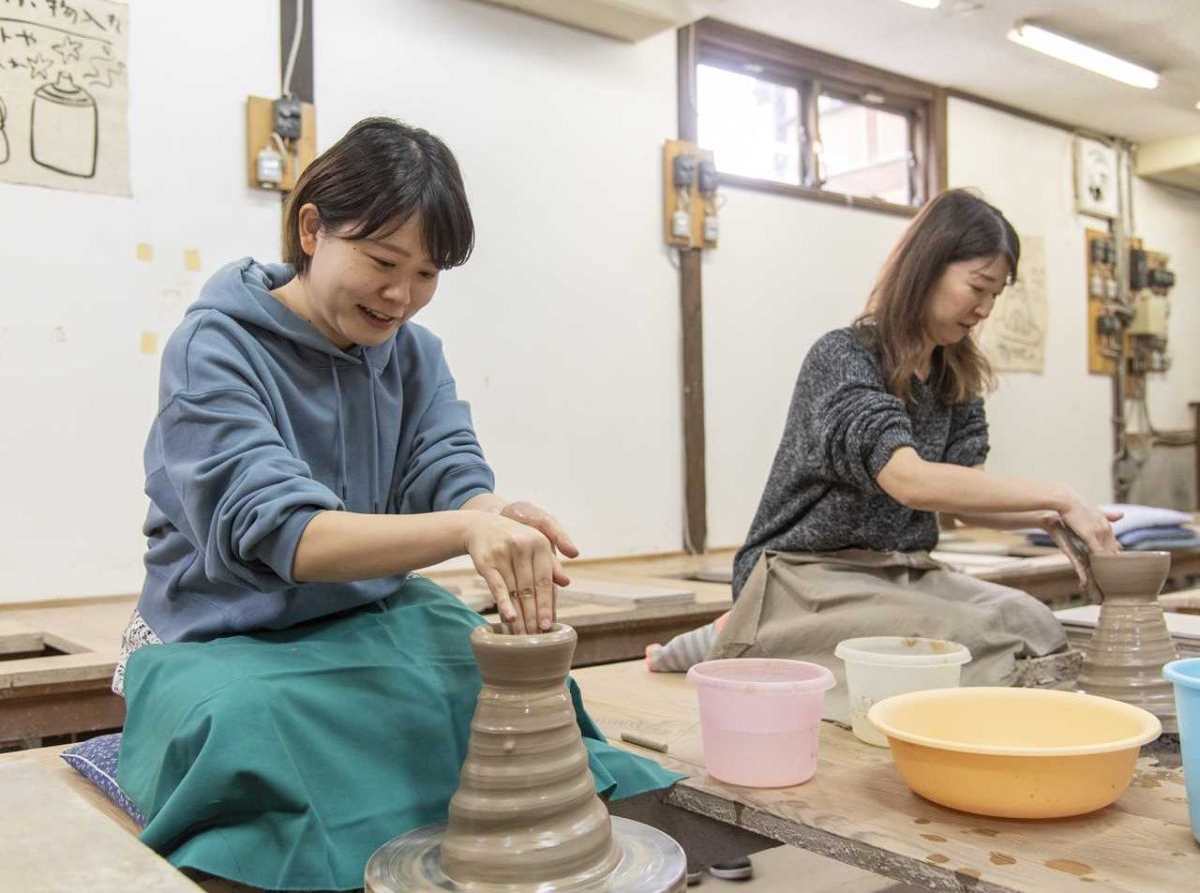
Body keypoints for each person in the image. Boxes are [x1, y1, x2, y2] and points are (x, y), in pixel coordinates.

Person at [113, 117, 678, 891]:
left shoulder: (414, 353)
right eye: (382, 261)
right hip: (222, 629)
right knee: (250, 731)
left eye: (427, 274)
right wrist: (463, 528)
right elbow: (284, 535)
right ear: (312, 230)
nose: (401, 296)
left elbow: (447, 465)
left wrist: (495, 512)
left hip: (370, 614)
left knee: (506, 687)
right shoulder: (214, 347)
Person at [650, 188, 1117, 697]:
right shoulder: (843, 357)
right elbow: (909, 480)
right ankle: (741, 633)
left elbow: (965, 497)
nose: (984, 309)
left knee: (1036, 624)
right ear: (928, 266)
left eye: (996, 295)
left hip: (901, 572)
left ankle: (754, 635)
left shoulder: (954, 375)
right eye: (978, 287)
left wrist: (1055, 520)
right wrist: (1059, 495)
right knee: (973, 646)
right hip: (807, 574)